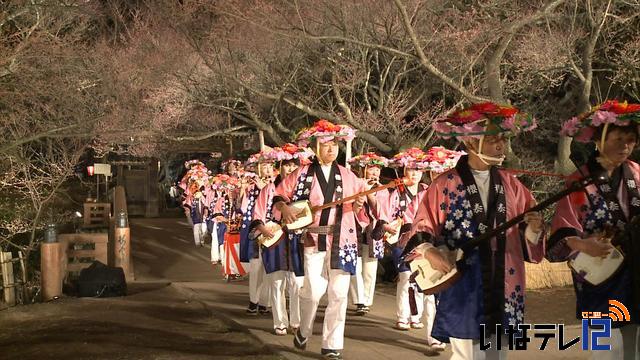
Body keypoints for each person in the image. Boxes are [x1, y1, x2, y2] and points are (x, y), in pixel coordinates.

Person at [403, 102, 544, 359]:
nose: (501, 145)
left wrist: (533, 230)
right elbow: (423, 227)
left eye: (503, 138)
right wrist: (429, 250)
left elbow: (528, 232)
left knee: (497, 353)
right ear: (469, 143)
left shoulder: (512, 185)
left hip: (504, 280)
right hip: (464, 281)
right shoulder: (445, 184)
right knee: (466, 354)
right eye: (492, 139)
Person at [550, 99, 640, 360]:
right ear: (599, 140)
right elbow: (563, 230)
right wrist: (582, 244)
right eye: (618, 138)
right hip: (598, 276)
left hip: (635, 271)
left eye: (631, 139)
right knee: (602, 348)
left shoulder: (637, 173)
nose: (625, 146)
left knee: (635, 346)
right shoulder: (579, 179)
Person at [273, 120, 366, 359]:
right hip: (313, 240)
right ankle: (304, 330)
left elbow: (361, 207)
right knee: (313, 292)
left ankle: (332, 344)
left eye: (334, 144)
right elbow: (280, 195)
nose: (331, 149)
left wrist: (358, 205)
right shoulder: (301, 174)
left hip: (342, 240)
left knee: (339, 293)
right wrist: (284, 208)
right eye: (325, 145)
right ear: (315, 147)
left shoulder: (348, 175)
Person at [346, 153, 389, 315]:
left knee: (370, 267)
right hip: (356, 228)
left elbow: (382, 212)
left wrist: (371, 194)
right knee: (355, 265)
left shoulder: (383, 190)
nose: (375, 173)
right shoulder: (355, 185)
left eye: (377, 169)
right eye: (371, 169)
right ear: (363, 170)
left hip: (373, 230)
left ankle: (367, 299)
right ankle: (359, 300)